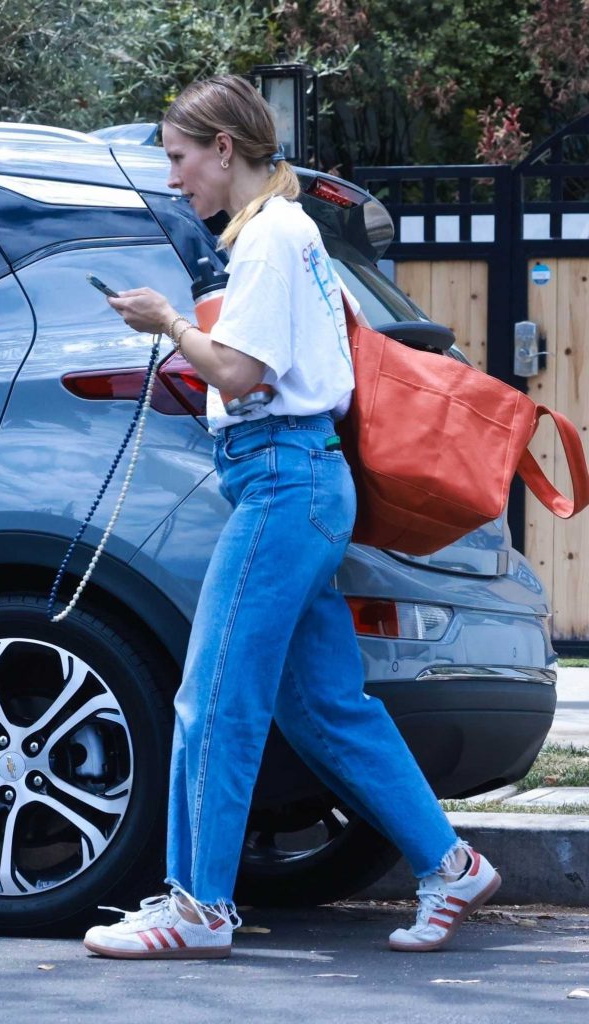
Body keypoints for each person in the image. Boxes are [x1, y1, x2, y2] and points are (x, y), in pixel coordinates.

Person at [83, 74, 501, 961]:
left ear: (224, 149)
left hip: (282, 483)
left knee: (215, 695)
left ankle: (198, 907)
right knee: (323, 707)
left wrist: (166, 323)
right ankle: (451, 863)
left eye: (180, 156)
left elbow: (241, 375)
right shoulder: (291, 235)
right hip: (299, 481)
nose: (173, 177)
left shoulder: (272, 238)